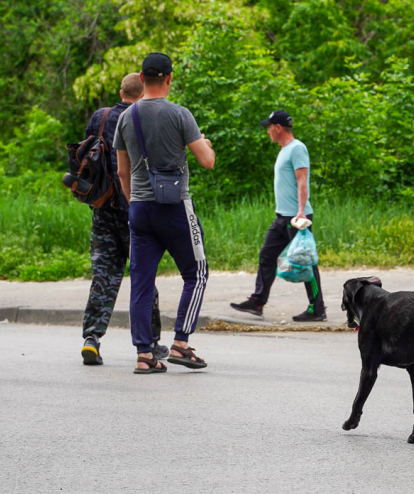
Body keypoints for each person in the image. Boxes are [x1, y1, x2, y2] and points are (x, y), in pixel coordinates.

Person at [113, 53, 216, 374]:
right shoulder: (180, 115)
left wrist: (134, 204)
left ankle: (145, 355)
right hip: (174, 207)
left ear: (141, 79)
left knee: (141, 284)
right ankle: (181, 344)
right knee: (196, 273)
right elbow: (207, 161)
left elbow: (121, 171)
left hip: (140, 210)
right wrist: (204, 144)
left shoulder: (126, 118)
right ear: (170, 79)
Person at [81, 73, 167, 365]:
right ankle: (152, 342)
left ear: (120, 91)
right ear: (143, 91)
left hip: (103, 207)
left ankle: (92, 338)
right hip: (136, 209)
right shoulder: (143, 117)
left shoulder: (101, 116)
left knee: (103, 274)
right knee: (143, 278)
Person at [229, 110, 326, 322]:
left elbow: (302, 181)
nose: (268, 132)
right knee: (267, 256)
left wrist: (301, 212)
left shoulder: (297, 148)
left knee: (305, 262)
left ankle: (317, 309)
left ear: (278, 128)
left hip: (297, 217)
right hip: (282, 217)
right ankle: (258, 301)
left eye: (269, 127)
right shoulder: (284, 150)